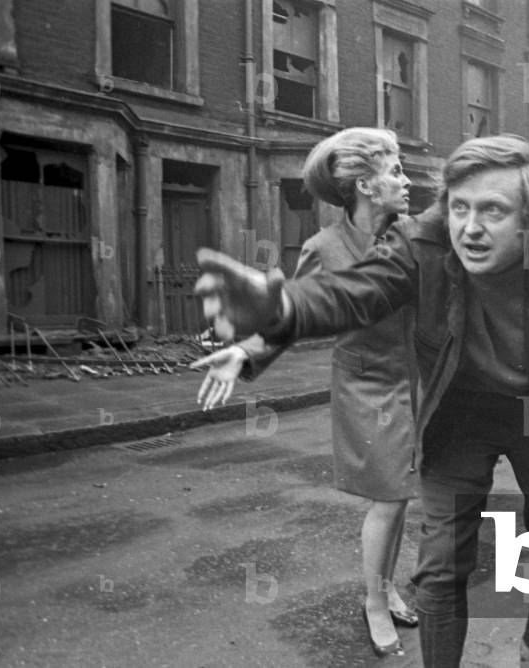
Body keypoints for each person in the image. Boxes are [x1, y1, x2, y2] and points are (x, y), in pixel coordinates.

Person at [193, 134, 529, 668]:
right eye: (460, 208)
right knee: (440, 566)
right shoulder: (421, 244)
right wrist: (279, 306)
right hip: (457, 413)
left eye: (493, 211)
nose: (471, 228)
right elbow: (352, 291)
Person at [192, 127, 419, 658]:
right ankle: (375, 602)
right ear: (364, 185)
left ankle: (388, 588)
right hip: (366, 384)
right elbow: (292, 315)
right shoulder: (323, 248)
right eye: (396, 171)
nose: (407, 181)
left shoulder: (412, 236)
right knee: (387, 498)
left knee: (401, 496)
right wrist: (248, 351)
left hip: (415, 381)